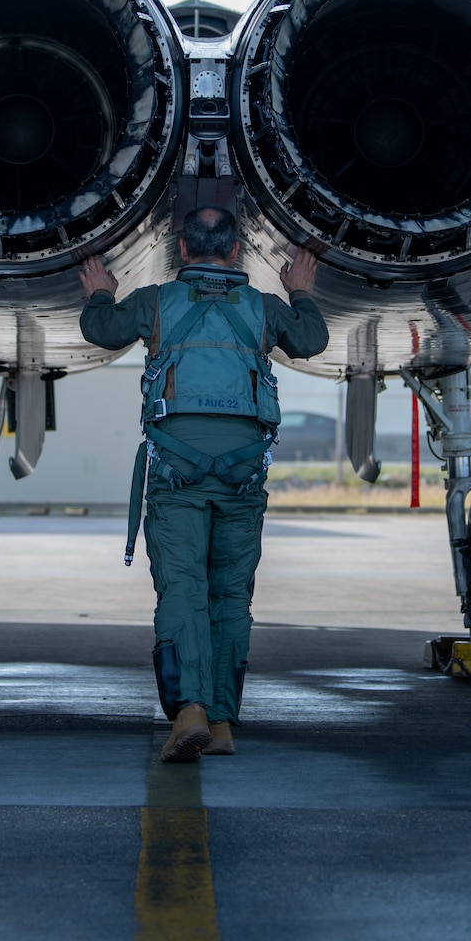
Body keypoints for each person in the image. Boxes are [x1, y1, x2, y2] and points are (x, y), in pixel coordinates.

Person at [79, 206, 326, 762]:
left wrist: (100, 289)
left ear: (183, 250)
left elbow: (101, 330)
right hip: (242, 478)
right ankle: (221, 723)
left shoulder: (156, 304)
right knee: (231, 597)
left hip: (177, 476)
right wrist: (301, 290)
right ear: (236, 251)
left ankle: (188, 709)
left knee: (183, 591)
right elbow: (311, 340)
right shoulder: (263, 309)